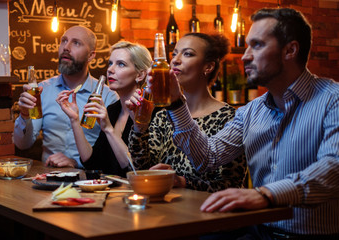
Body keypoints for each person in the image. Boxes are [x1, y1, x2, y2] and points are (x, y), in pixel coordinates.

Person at [162, 8, 339, 239]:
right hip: (260, 231)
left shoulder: (332, 99)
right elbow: (208, 157)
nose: (245, 56)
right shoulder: (251, 110)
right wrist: (176, 102)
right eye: (246, 46)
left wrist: (266, 194)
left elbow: (334, 167)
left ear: (290, 50)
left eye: (257, 45)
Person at [126, 33, 247, 192]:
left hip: (207, 213)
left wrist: (182, 181)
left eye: (188, 54)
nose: (175, 60)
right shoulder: (163, 115)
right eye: (174, 53)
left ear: (208, 67)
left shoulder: (229, 118)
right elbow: (141, 169)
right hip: (165, 210)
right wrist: (139, 126)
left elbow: (230, 185)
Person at [14, 26, 118, 168]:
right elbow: (23, 144)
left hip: (90, 181)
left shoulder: (108, 97)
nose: (66, 47)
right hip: (47, 178)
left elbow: (112, 153)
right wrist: (24, 115)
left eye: (76, 43)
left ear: (91, 55)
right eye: (63, 41)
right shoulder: (43, 90)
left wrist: (76, 163)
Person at [56, 41, 152, 177]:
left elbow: (136, 171)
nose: (110, 70)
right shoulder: (113, 110)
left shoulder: (149, 113)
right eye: (110, 63)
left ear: (140, 75)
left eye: (121, 64)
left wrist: (108, 128)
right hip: (111, 193)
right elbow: (92, 162)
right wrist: (74, 119)